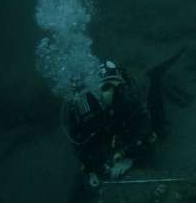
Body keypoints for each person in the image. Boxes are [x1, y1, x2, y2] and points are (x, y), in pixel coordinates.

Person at [64, 49, 183, 188]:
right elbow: (80, 143)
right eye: (102, 88)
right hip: (107, 124)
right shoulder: (82, 110)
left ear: (118, 86)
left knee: (158, 125)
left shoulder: (125, 97)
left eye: (109, 87)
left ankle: (154, 77)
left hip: (124, 119)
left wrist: (129, 157)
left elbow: (145, 129)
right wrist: (90, 170)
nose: (103, 94)